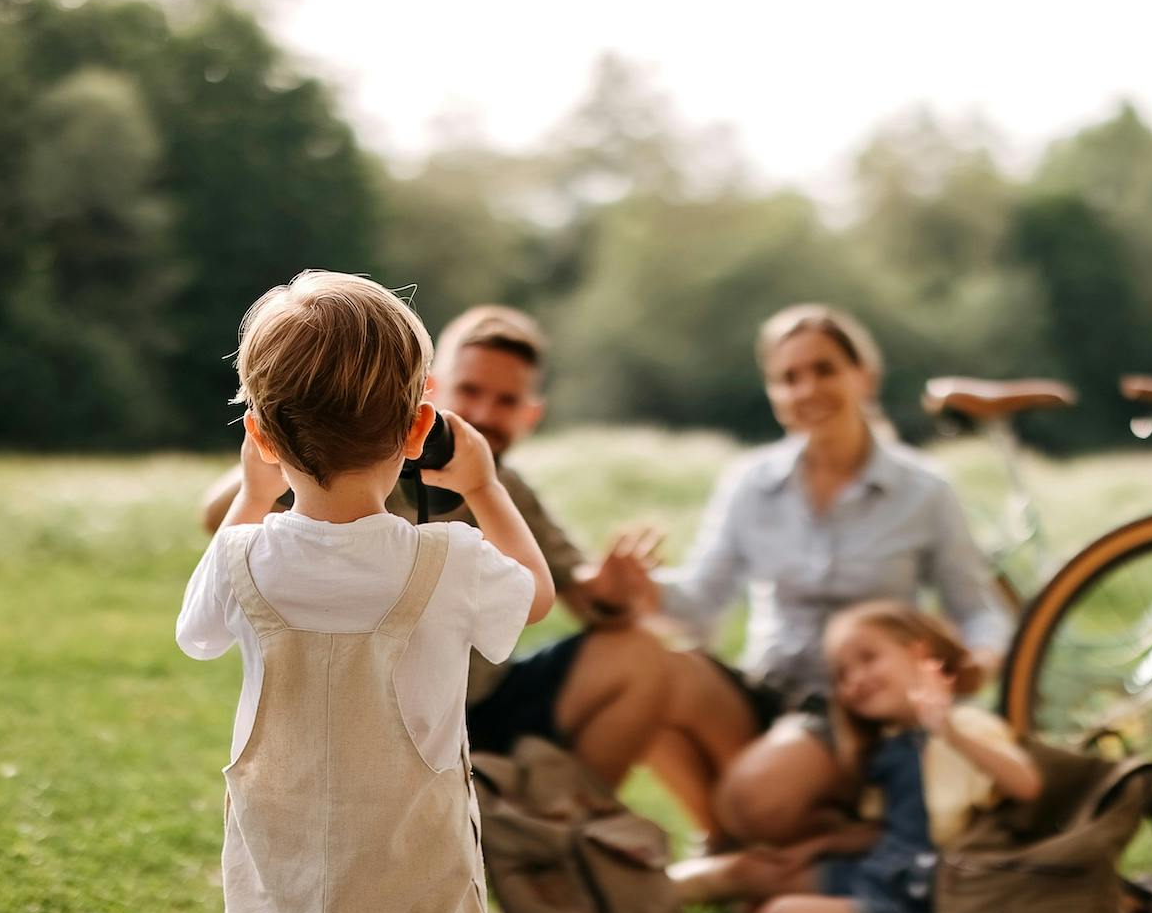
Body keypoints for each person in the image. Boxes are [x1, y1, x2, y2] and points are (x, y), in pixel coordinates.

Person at [176, 271, 553, 913]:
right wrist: (489, 488)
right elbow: (535, 598)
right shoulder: (450, 558)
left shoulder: (240, 555)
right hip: (412, 883)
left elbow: (197, 636)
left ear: (262, 435)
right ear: (419, 428)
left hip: (283, 878)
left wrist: (247, 488)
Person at [193, 306, 751, 827]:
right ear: (425, 397)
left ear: (531, 415)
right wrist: (290, 448)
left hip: (483, 701)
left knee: (641, 654)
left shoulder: (510, 492)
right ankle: (521, 834)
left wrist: (601, 587)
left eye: (507, 402)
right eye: (471, 392)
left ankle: (555, 837)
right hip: (384, 711)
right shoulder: (355, 464)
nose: (484, 414)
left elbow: (562, 587)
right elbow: (219, 516)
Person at [612, 304, 1013, 846]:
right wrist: (644, 589)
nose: (807, 389)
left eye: (824, 369)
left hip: (854, 709)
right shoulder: (749, 484)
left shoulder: (924, 491)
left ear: (863, 376)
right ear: (774, 393)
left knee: (750, 798)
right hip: (766, 687)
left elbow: (978, 608)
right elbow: (701, 602)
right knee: (645, 679)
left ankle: (753, 847)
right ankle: (758, 850)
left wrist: (982, 658)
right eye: (788, 378)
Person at [670, 602, 1040, 913]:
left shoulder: (966, 727)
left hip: (921, 896)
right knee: (751, 870)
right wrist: (814, 848)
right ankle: (645, 896)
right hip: (869, 872)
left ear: (918, 652)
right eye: (843, 673)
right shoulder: (889, 751)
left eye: (868, 658)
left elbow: (1026, 785)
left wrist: (950, 732)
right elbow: (885, 830)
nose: (857, 679)